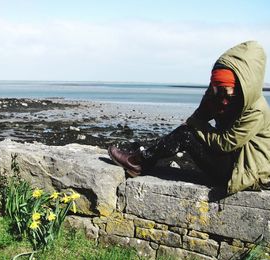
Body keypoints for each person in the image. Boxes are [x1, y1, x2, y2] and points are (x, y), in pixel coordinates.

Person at [108, 41, 270, 194]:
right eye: (216, 90)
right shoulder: (219, 94)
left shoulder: (256, 110)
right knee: (185, 132)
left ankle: (139, 161)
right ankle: (142, 158)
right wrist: (206, 105)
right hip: (230, 159)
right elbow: (199, 116)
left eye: (226, 91)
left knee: (186, 135)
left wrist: (193, 126)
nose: (222, 98)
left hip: (243, 171)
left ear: (243, 85)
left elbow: (225, 144)